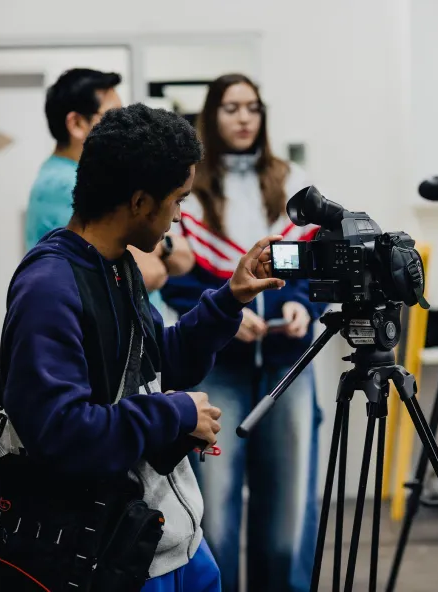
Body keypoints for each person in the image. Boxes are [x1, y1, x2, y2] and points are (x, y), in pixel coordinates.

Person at [0, 103, 286, 592]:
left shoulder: (117, 265)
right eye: (177, 200)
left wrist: (229, 299)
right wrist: (174, 413)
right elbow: (62, 433)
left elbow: (160, 364)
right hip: (109, 561)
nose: (178, 216)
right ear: (139, 202)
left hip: (171, 543)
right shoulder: (49, 287)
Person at [161, 73, 324, 592]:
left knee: (287, 520)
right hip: (218, 369)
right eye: (231, 108)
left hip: (287, 364)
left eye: (252, 107)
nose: (243, 117)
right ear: (212, 115)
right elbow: (178, 278)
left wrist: (301, 306)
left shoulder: (291, 180)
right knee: (216, 519)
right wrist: (226, 312)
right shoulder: (190, 186)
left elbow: (313, 265)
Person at [25, 68, 193, 304]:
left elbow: (185, 260)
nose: (124, 128)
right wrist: (163, 249)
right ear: (76, 123)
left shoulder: (73, 175)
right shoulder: (65, 184)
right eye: (112, 117)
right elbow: (149, 273)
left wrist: (160, 246)